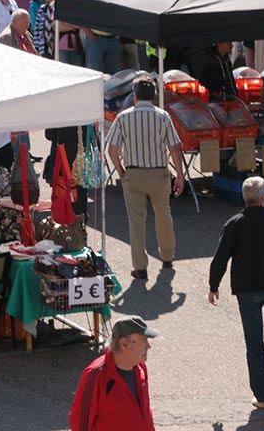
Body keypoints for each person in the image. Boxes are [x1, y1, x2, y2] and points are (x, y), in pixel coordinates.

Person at [208, 176, 264, 410]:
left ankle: (262, 394)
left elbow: (221, 258)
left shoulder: (234, 223)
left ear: (245, 198)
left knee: (254, 340)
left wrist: (213, 286)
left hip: (246, 289)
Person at [105, 78, 184, 280]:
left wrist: (121, 171)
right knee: (163, 215)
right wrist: (181, 176)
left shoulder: (123, 118)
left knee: (136, 221)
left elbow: (111, 148)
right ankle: (167, 256)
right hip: (159, 173)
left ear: (135, 95)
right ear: (154, 95)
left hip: (133, 173)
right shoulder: (163, 116)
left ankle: (140, 267)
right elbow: (175, 147)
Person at [68, 316, 159, 431]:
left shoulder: (140, 367)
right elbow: (80, 425)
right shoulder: (96, 375)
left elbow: (145, 413)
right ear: (124, 343)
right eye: (144, 341)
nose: (149, 346)